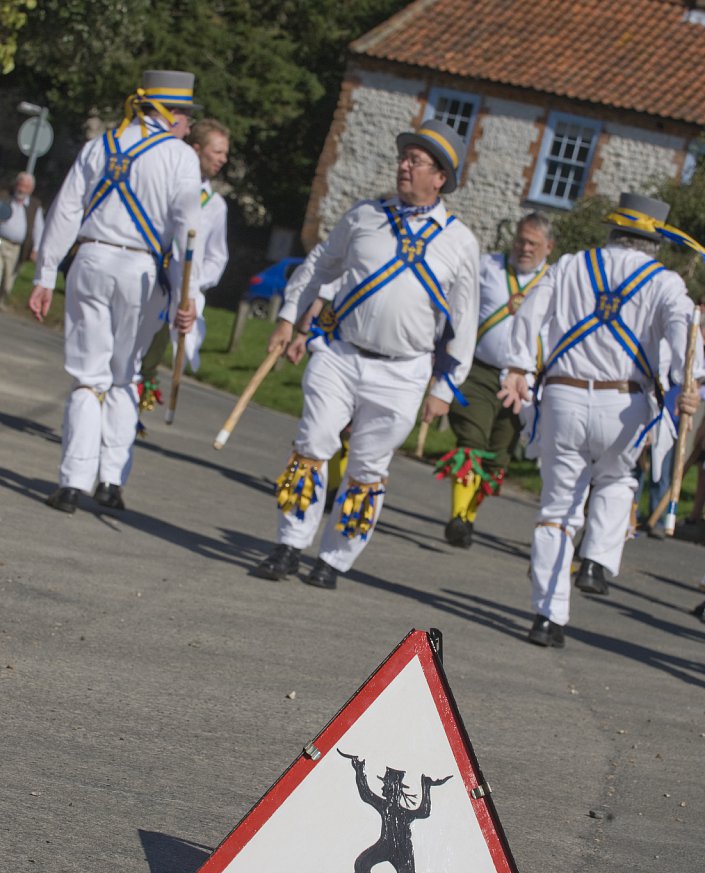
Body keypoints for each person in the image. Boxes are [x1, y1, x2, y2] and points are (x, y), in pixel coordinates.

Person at [252, 119, 480, 588]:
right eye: (404, 157)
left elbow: (465, 321)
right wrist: (287, 317)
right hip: (340, 354)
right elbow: (320, 264)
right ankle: (289, 546)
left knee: (367, 469)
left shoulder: (460, 242)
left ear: (440, 177)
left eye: (416, 161)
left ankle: (333, 561)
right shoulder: (365, 215)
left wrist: (444, 387)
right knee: (312, 446)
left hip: (404, 372)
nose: (404, 165)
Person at [499, 192, 700, 648]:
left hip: (563, 399)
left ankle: (547, 619)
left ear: (613, 230)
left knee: (556, 511)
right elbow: (685, 330)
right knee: (617, 480)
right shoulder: (664, 282)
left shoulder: (570, 265)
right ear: (653, 241)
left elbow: (529, 312)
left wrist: (518, 368)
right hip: (623, 405)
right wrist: (689, 383)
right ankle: (595, 561)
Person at [29, 69, 202, 513]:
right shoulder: (180, 158)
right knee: (126, 374)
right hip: (142, 270)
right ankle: (110, 481)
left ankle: (72, 483)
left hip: (90, 260)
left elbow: (66, 209)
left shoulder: (99, 146)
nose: (187, 123)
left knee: (89, 376)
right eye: (184, 113)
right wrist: (190, 299)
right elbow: (187, 233)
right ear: (165, 112)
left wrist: (46, 275)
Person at [436, 212, 553, 548]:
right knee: (471, 441)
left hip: (523, 384)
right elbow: (456, 303)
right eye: (520, 240)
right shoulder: (488, 267)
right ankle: (457, 516)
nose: (524, 248)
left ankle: (469, 518)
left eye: (532, 243)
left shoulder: (555, 282)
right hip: (478, 371)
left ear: (548, 246)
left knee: (498, 454)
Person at [138, 117, 230, 412]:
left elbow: (218, 256)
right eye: (217, 152)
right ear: (196, 149)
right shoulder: (167, 187)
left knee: (151, 358)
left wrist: (194, 283)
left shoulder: (215, 205)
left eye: (225, 153)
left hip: (179, 295)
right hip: (146, 279)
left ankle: (131, 415)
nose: (222, 159)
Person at [0, 172, 44, 309]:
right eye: (20, 185)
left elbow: (38, 229)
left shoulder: (34, 206)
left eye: (26, 186)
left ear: (30, 189)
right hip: (1, 242)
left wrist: (36, 249)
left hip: (17, 248)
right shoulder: (5, 198)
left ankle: (1, 299)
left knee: (8, 279)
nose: (22, 189)